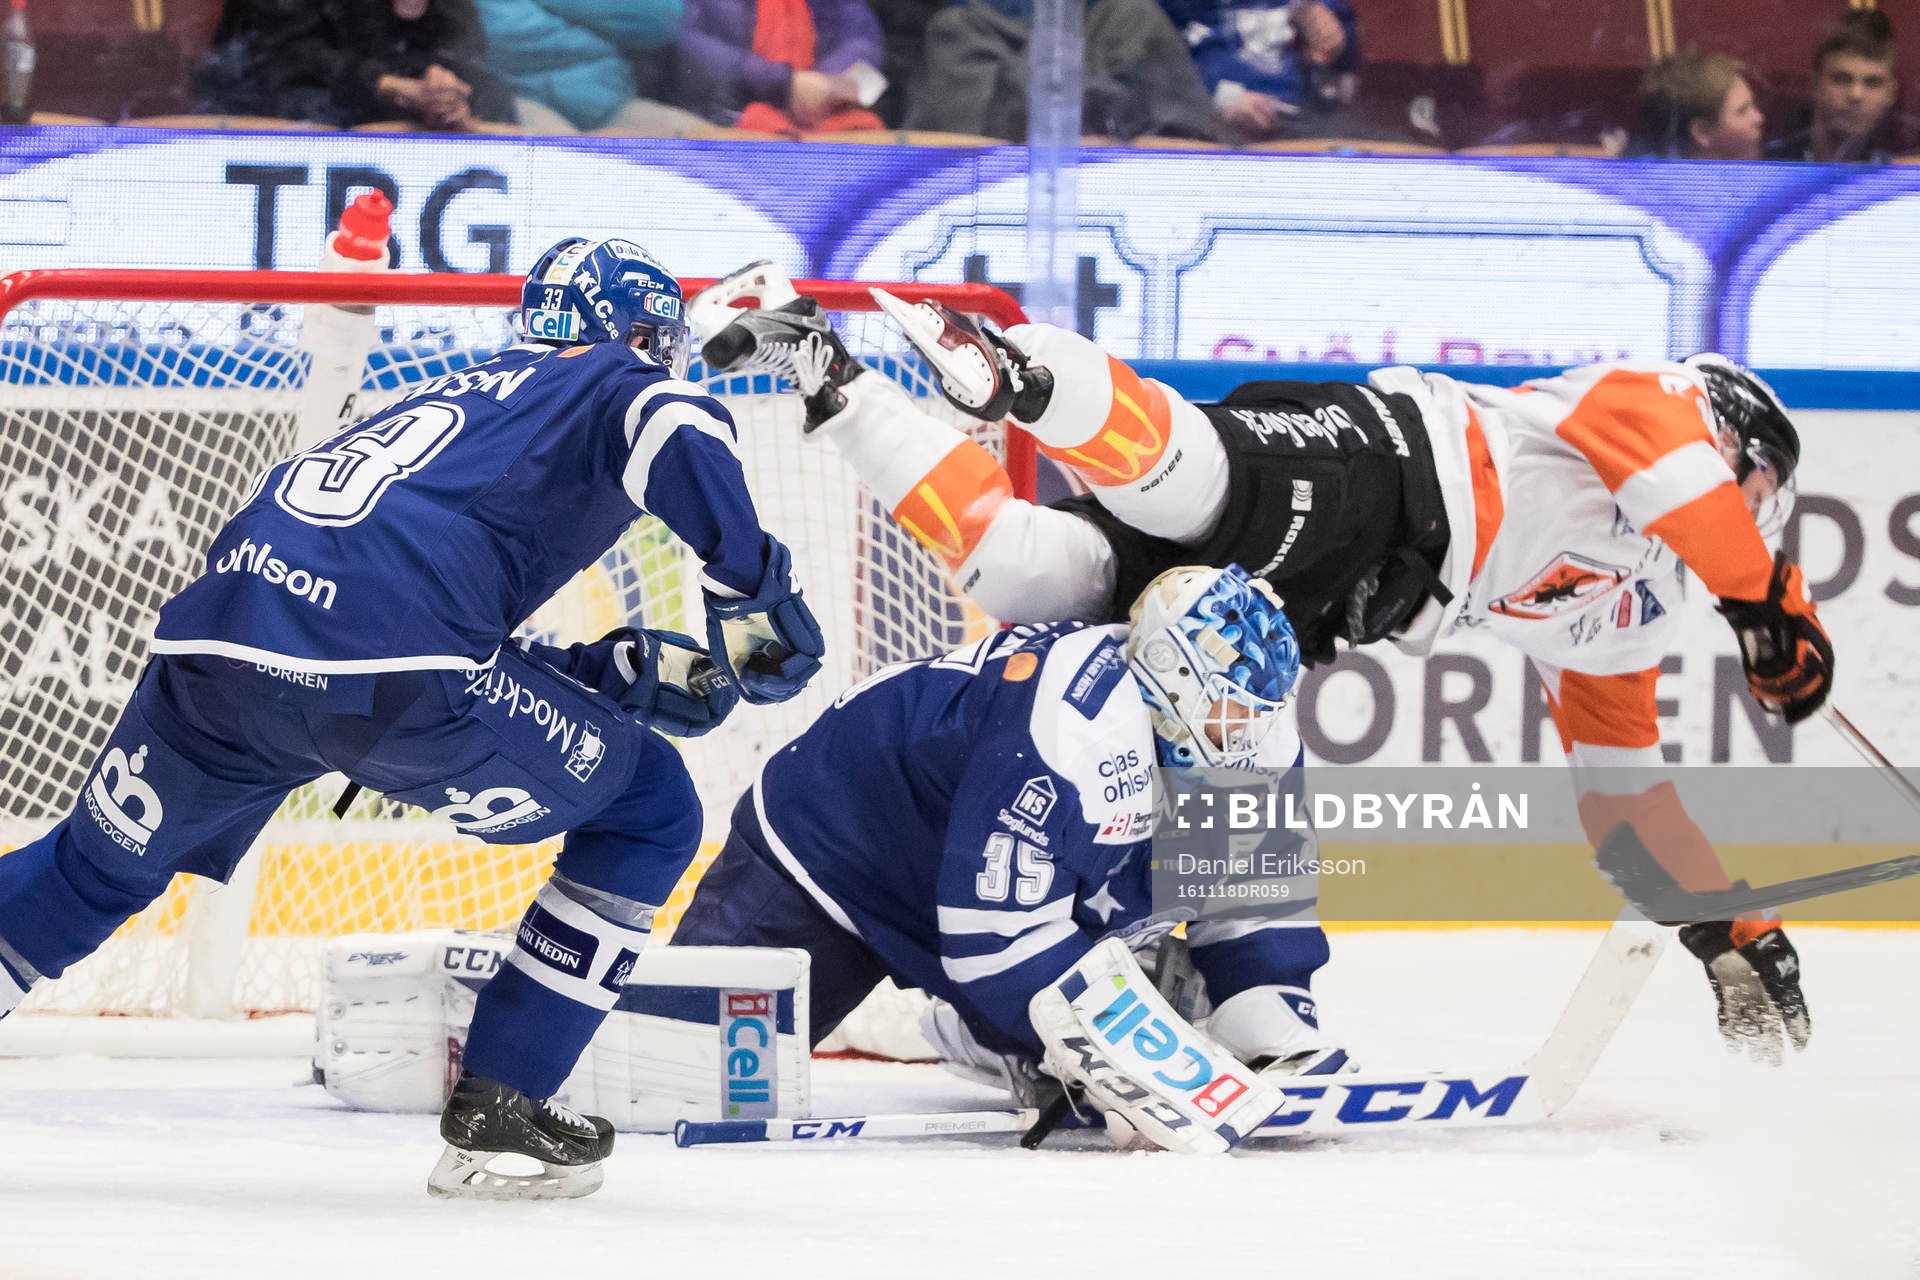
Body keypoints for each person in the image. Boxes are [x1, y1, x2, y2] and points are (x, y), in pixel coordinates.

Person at [699, 269, 1830, 1067]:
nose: (1762, 515)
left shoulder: (1637, 604)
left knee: (1024, 570)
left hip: (1334, 598)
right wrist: (1769, 601)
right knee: (1210, 486)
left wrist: (1725, 923)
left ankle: (827, 371)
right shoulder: (1657, 408)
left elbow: (1623, 788)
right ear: (1730, 431)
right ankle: (1020, 371)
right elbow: (1670, 459)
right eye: (1763, 484)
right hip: (1391, 467)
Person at [0, 237, 826, 1199]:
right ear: (630, 332)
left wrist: (594, 670)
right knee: (651, 811)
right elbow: (667, 414)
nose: (661, 355)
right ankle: (505, 1109)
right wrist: (752, 591)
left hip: (218, 649)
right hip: (387, 677)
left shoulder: (452, 395)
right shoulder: (612, 379)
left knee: (90, 871)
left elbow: (396, 592)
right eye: (652, 337)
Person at [671, 565, 1349, 1149]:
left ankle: (1001, 1034)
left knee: (1174, 984)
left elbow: (1250, 885)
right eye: (1234, 709)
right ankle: (1000, 1032)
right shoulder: (1074, 731)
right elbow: (994, 937)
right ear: (1173, 682)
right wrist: (1135, 1066)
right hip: (834, 853)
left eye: (1264, 708)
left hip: (970, 859)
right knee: (683, 1082)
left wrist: (1278, 1020)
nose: (1253, 732)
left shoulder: (1247, 731)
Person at [196, 0, 516, 130]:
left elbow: (461, 42)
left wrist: (443, 85)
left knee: (490, 96)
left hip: (401, 90)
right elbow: (279, 58)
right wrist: (384, 85)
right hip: (290, 105)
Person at [470, 0, 707, 134]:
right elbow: (505, 38)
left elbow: (661, 22)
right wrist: (599, 29)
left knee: (714, 148)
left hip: (609, 102)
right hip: (519, 105)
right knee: (569, 163)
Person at [1156, 0, 1359, 144]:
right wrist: (1220, 98)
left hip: (1298, 125)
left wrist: (1334, 38)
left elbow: (1345, 59)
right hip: (1200, 129)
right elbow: (1148, 62)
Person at [673, 0, 887, 134]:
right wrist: (785, 85)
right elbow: (686, 46)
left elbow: (864, 41)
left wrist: (825, 87)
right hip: (725, 120)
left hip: (826, 118)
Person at [1768, 9, 1909, 164]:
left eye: (1872, 83)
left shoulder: (1895, 178)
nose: (1856, 95)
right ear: (1815, 85)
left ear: (1891, 93)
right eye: (1842, 79)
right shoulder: (1769, 167)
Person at [1624, 50, 1765, 161]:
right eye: (1742, 111)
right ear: (1703, 133)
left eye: (1753, 106)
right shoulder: (1651, 192)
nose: (1759, 118)